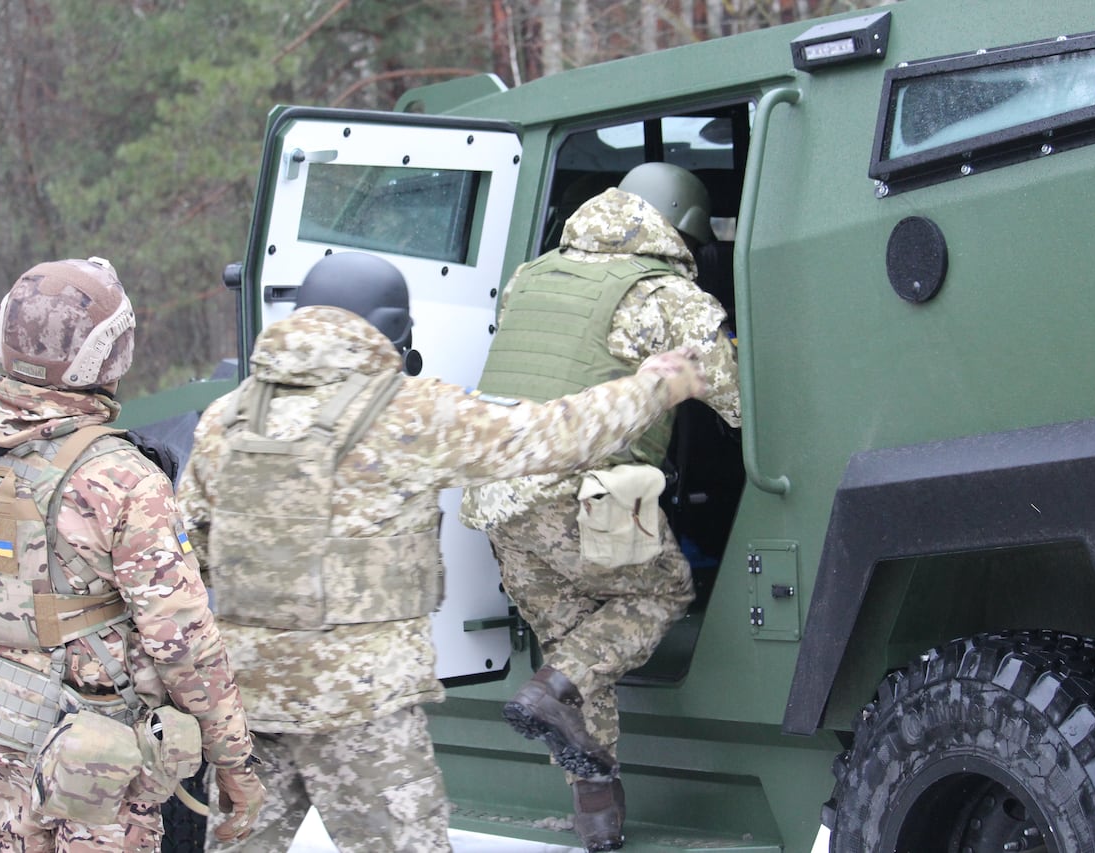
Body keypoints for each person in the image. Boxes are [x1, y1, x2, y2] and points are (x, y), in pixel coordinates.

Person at [176, 250, 709, 853]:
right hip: (364, 710)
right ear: (391, 330)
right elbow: (550, 436)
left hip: (248, 704)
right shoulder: (407, 410)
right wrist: (653, 387)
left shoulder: (229, 415)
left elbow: (185, 553)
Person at [0, 257, 265, 852]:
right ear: (108, 356)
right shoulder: (122, 479)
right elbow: (184, 642)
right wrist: (234, 762)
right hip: (99, 763)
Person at [459, 162, 742, 852]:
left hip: (495, 492)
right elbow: (735, 401)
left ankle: (596, 815)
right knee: (660, 592)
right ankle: (556, 685)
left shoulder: (533, 276)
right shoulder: (667, 292)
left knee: (578, 629)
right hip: (594, 488)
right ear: (681, 226)